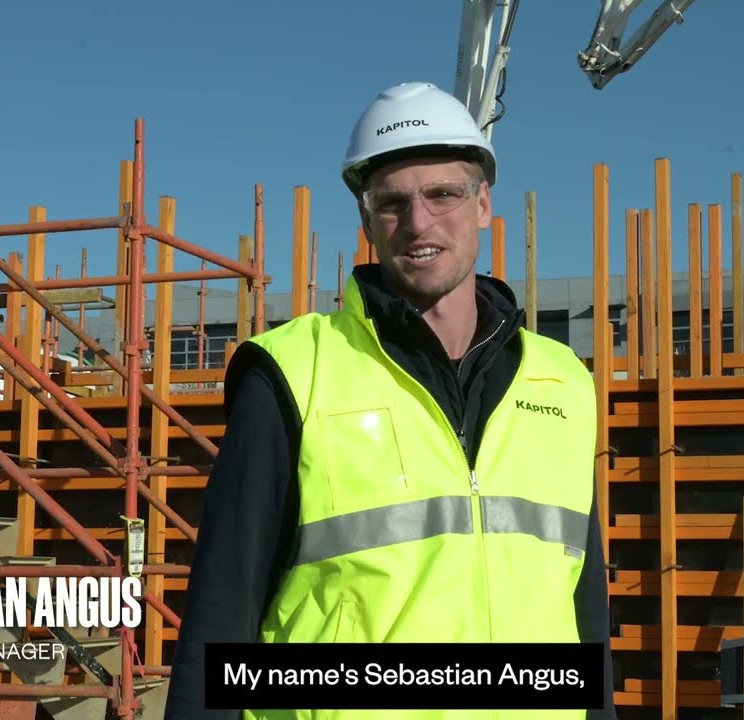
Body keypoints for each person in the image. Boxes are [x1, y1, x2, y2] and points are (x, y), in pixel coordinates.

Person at [165, 82, 615, 719]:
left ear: (483, 203)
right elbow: (222, 610)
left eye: (443, 194)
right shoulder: (293, 372)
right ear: (367, 220)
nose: (419, 222)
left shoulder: (562, 382)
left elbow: (584, 610)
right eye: (392, 202)